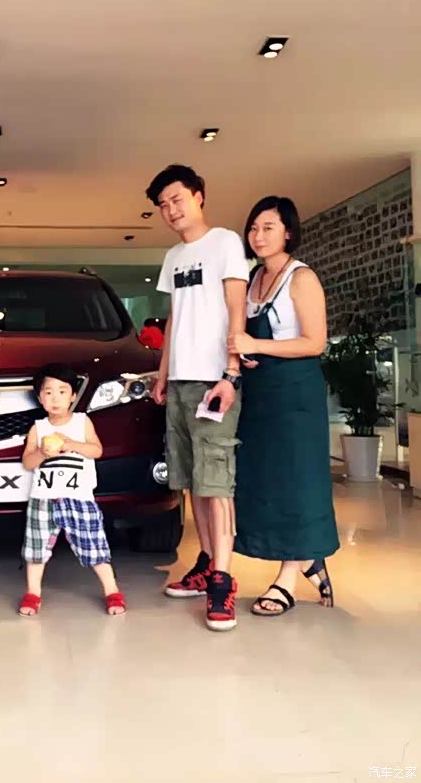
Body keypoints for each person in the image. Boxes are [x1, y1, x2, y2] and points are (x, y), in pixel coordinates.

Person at [146, 164, 249, 632]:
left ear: (198, 196)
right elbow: (174, 319)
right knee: (190, 479)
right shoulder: (173, 256)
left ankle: (223, 580)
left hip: (214, 380)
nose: (171, 210)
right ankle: (207, 562)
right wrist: (163, 373)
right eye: (163, 205)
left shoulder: (225, 242)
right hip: (181, 382)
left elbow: (236, 309)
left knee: (216, 483)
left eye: (177, 199)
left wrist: (231, 373)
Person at [228, 196, 339, 617]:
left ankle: (286, 579)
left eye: (268, 227)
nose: (258, 235)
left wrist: (256, 344)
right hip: (260, 395)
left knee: (297, 481)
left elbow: (315, 342)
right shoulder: (253, 278)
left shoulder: (301, 277)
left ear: (288, 233)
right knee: (265, 481)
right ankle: (307, 557)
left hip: (296, 395)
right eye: (254, 228)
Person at [18, 363, 126, 617]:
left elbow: (96, 451)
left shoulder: (81, 422)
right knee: (36, 550)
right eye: (48, 392)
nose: (55, 398)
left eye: (62, 391)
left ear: (73, 396)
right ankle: (33, 593)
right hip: (43, 499)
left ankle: (112, 591)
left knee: (93, 545)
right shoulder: (38, 428)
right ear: (40, 398)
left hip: (79, 498)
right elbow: (27, 462)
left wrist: (71, 444)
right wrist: (42, 452)